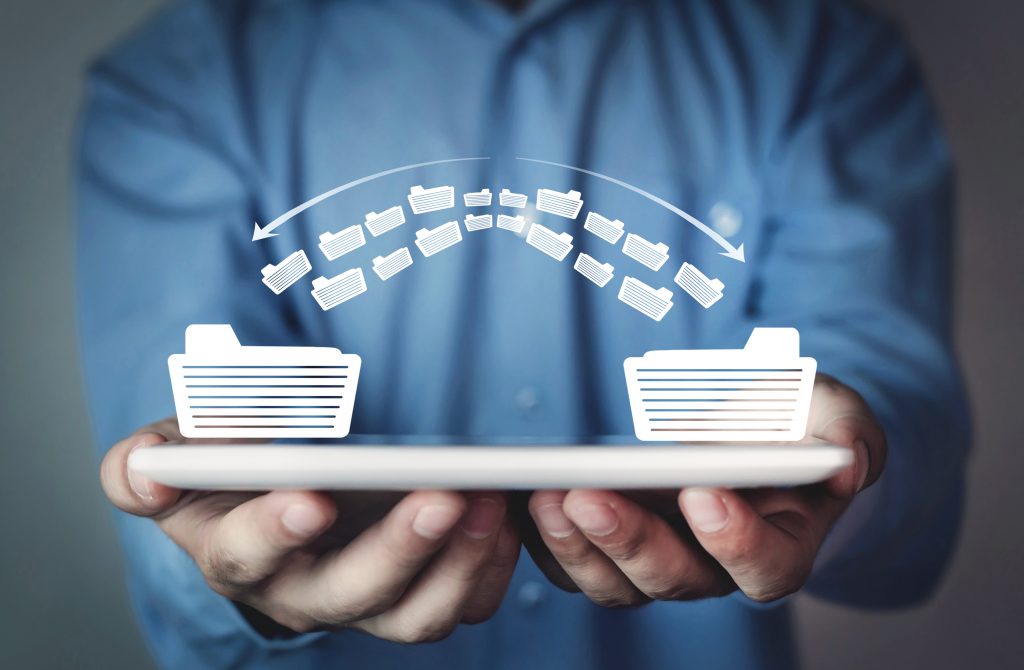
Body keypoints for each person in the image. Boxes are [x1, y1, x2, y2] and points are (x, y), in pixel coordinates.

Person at [77, 0, 970, 668]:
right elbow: (184, 477)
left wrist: (833, 465)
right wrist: (239, 582)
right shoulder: (177, 82)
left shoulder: (817, 52)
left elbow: (895, 444)